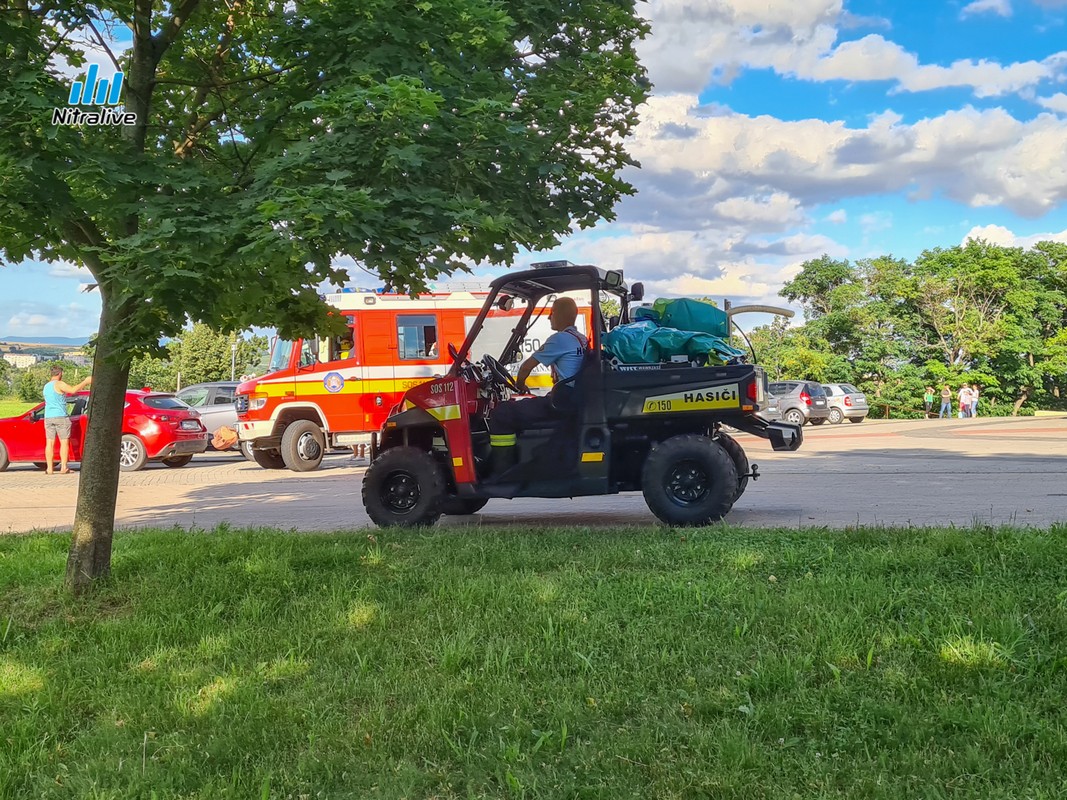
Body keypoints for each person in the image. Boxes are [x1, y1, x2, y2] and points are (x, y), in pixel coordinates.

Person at [488, 297, 588, 474]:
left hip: (562, 402)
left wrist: (520, 385)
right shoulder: (580, 338)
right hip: (573, 399)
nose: (549, 317)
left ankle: (503, 470)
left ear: (560, 314)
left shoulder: (560, 339)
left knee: (502, 413)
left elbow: (526, 367)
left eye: (552, 312)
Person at [42, 366, 92, 474]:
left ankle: (49, 468)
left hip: (48, 417)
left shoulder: (46, 386)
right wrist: (85, 381)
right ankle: (63, 467)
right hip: (60, 416)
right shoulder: (59, 384)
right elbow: (73, 390)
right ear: (59, 374)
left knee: (49, 443)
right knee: (64, 442)